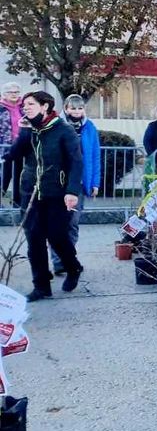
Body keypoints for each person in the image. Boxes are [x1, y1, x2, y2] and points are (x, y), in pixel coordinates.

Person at [3, 92, 84, 301]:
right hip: (31, 193)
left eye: (31, 104)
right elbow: (14, 154)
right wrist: (23, 131)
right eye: (24, 105)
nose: (25, 108)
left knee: (57, 236)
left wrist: (72, 191)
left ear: (45, 106)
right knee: (34, 240)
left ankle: (72, 267)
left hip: (57, 193)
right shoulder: (29, 129)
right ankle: (41, 286)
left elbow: (76, 162)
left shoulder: (63, 130)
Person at [50, 95, 100, 276]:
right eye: (73, 109)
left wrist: (95, 182)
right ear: (66, 108)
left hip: (78, 183)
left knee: (72, 223)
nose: (77, 112)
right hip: (59, 183)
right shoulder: (56, 125)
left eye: (80, 109)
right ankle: (58, 262)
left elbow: (94, 155)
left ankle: (69, 258)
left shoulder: (89, 127)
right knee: (58, 223)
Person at [0, 82, 24, 206]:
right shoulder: (1, 108)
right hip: (5, 148)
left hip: (21, 148)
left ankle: (17, 201)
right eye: (11, 92)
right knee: (4, 175)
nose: (14, 94)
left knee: (19, 176)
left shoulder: (23, 108)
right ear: (4, 94)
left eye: (16, 92)